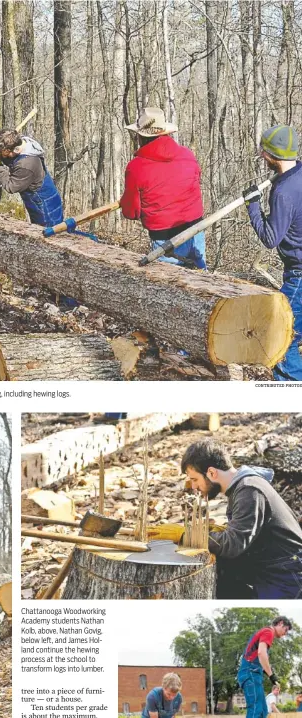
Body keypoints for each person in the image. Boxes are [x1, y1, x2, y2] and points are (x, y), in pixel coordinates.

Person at [181, 438, 302, 599]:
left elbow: (233, 544)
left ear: (211, 473)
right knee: (220, 570)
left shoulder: (249, 489)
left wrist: (190, 536)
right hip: (272, 565)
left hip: (286, 574)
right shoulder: (242, 486)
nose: (194, 487)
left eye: (195, 479)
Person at [242, 124, 302, 381]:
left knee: (278, 335)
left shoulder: (283, 193)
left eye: (263, 152)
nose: (261, 156)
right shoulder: (295, 177)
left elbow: (270, 238)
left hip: (299, 276)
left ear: (270, 155)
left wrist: (253, 205)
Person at [120, 107, 207, 269]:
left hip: (166, 240)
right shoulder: (187, 155)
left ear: (140, 136)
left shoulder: (135, 167)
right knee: (204, 286)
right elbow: (195, 181)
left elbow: (131, 212)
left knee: (172, 289)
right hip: (196, 232)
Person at [0, 129, 64, 228]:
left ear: (15, 150)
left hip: (44, 204)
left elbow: (11, 187)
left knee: (50, 234)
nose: (4, 156)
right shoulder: (23, 142)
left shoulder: (26, 165)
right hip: (45, 197)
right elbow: (12, 159)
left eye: (5, 154)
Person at [237, 616, 291, 718]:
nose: (285, 633)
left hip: (253, 674)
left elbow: (258, 658)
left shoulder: (264, 632)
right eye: (286, 629)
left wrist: (267, 672)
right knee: (256, 709)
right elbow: (261, 653)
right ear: (280, 623)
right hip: (250, 673)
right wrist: (271, 676)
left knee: (262, 710)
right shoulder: (268, 631)